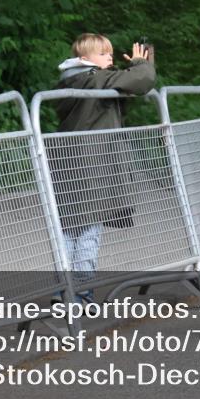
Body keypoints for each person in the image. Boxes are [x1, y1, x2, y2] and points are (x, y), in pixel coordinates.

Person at [53, 33, 156, 300]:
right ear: (83, 59)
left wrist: (136, 67)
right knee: (88, 228)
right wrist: (140, 64)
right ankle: (80, 292)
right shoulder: (92, 80)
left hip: (69, 163)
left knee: (68, 227)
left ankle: (64, 290)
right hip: (92, 165)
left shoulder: (76, 80)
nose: (109, 57)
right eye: (102, 53)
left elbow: (126, 87)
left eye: (109, 52)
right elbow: (142, 81)